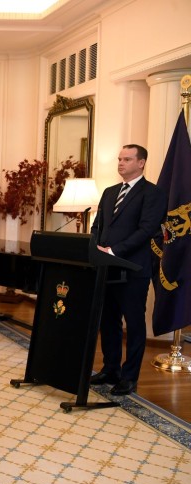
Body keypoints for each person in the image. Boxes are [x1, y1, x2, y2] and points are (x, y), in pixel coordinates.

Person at [89, 144, 168, 396]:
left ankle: (129, 376)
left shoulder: (153, 193)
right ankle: (110, 368)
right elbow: (98, 225)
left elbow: (146, 231)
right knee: (108, 320)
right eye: (120, 158)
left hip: (133, 269)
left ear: (141, 163)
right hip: (107, 268)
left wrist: (114, 250)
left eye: (127, 159)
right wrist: (95, 247)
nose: (121, 163)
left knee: (133, 323)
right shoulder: (110, 192)